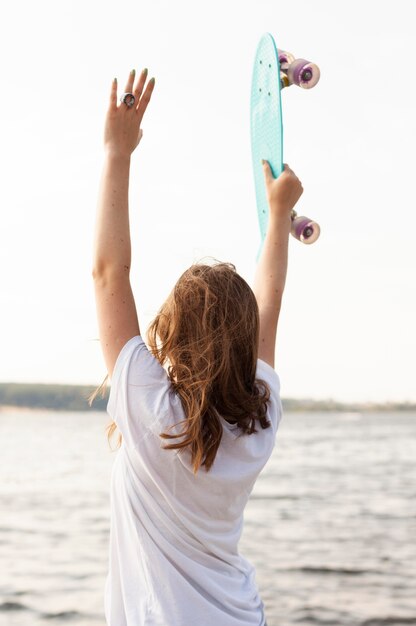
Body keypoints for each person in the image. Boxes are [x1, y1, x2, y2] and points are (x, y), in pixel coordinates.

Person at [92, 67, 303, 626]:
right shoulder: (258, 424)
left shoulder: (151, 412)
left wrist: (118, 151)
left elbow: (110, 274)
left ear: (172, 332)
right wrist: (278, 215)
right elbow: (271, 307)